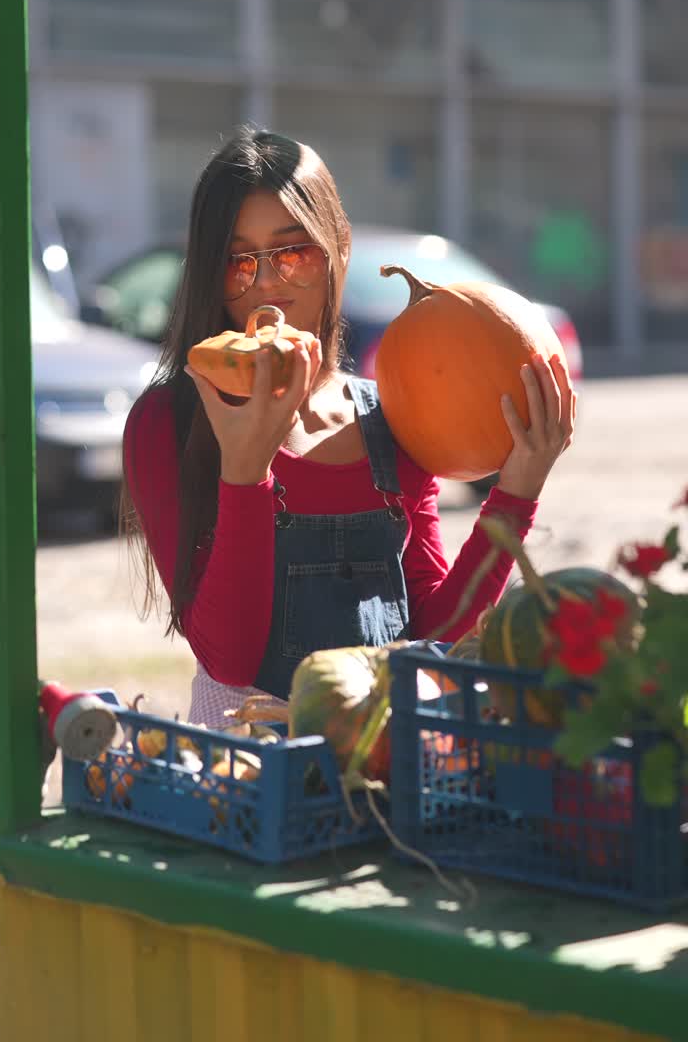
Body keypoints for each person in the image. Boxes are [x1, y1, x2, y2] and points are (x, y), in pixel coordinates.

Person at [122, 127, 575, 728]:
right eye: (237, 261)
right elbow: (228, 660)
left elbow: (435, 631)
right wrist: (245, 469)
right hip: (253, 775)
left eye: (293, 252)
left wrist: (516, 489)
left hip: (388, 753)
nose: (266, 283)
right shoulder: (168, 421)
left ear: (340, 246)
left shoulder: (395, 418)